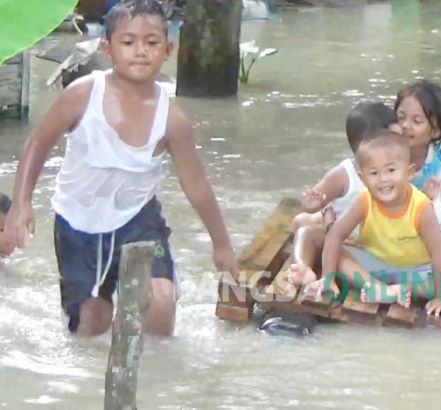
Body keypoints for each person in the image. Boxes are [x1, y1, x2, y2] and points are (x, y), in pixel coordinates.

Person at [4, 0, 238, 337]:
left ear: (168, 49)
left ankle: (155, 381)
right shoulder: (82, 94)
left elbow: (196, 185)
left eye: (152, 43)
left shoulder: (172, 119)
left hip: (137, 219)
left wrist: (222, 245)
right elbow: (38, 143)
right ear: (107, 49)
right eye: (128, 43)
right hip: (78, 223)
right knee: (91, 325)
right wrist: (21, 203)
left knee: (160, 302)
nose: (140, 51)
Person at [320, 130, 441, 316]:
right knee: (333, 250)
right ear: (362, 177)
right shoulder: (364, 200)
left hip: (414, 270)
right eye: (374, 173)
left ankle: (400, 289)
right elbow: (335, 234)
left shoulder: (421, 207)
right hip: (375, 263)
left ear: (408, 173)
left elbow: (438, 252)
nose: (383, 179)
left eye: (391, 170)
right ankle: (380, 289)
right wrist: (327, 278)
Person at [287, 101, 400, 286]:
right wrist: (315, 202)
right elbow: (313, 203)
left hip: (372, 244)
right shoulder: (343, 174)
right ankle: (302, 268)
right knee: (303, 228)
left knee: (305, 226)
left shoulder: (396, 170)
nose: (401, 146)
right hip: (342, 236)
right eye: (393, 140)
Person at [394, 80, 441, 264]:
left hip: (427, 239)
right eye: (401, 117)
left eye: (416, 121)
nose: (405, 126)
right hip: (389, 235)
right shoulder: (382, 153)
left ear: (436, 130)